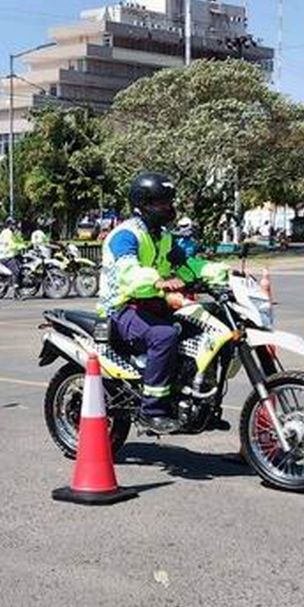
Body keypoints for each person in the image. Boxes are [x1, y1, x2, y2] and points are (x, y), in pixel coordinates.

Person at [100, 172, 225, 427]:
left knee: (207, 326)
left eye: (169, 201)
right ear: (143, 205)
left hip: (156, 305)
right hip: (123, 308)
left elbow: (189, 264)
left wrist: (223, 273)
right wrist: (157, 281)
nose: (168, 207)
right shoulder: (125, 235)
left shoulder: (164, 236)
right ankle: (152, 409)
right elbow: (129, 271)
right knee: (164, 336)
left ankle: (196, 398)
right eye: (161, 203)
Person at [0, 217, 28, 296]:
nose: (15, 226)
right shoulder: (7, 233)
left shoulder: (12, 233)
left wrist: (26, 244)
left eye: (15, 224)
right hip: (6, 256)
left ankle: (20, 284)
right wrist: (21, 246)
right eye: (13, 224)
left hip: (11, 255)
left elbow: (18, 241)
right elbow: (11, 245)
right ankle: (16, 293)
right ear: (9, 225)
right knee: (16, 271)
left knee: (22, 266)